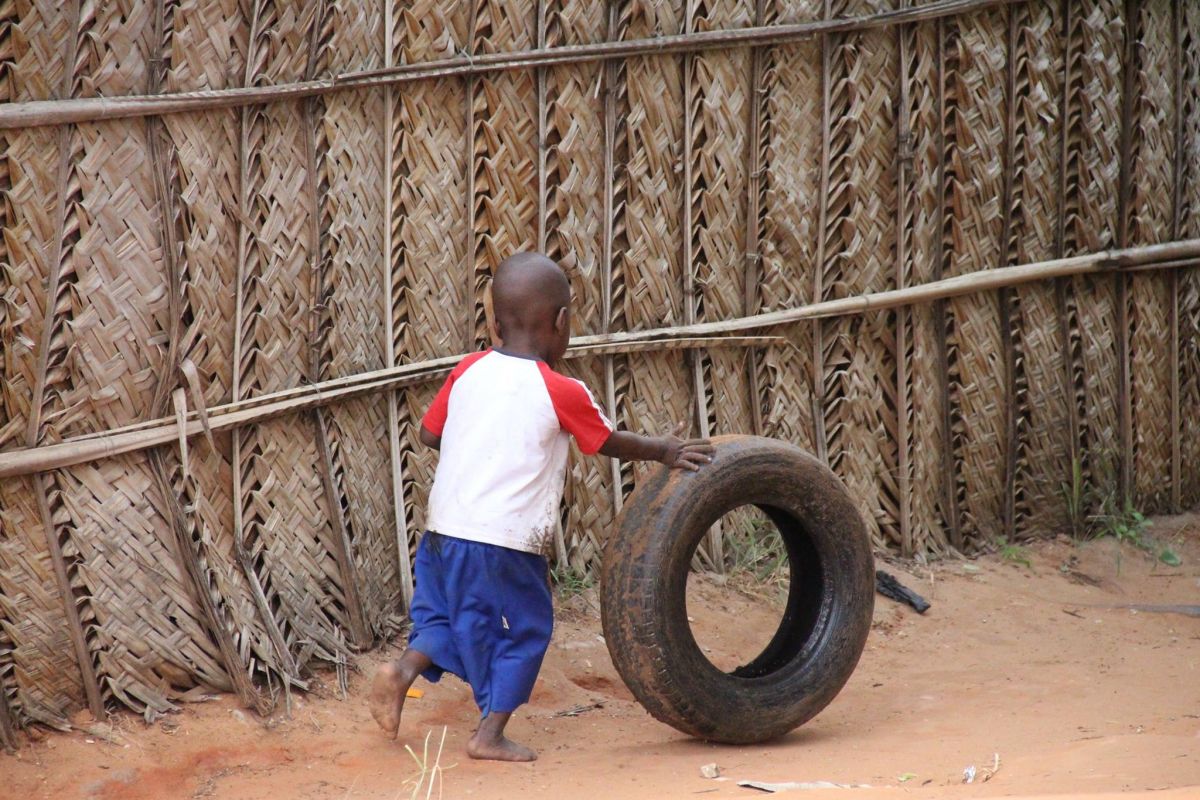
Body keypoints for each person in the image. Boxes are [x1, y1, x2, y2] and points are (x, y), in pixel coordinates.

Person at [367, 252, 714, 762]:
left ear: (493, 322)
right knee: (524, 629)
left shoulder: (468, 370)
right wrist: (663, 449)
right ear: (562, 322)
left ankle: (401, 672)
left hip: (443, 530)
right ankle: (488, 735)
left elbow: (428, 433)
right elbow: (604, 441)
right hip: (503, 542)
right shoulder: (560, 390)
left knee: (442, 613)